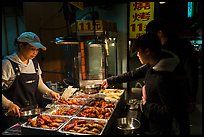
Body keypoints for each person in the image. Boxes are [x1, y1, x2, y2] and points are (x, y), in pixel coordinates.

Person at [102, 33, 190, 135]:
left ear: (147, 51)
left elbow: (171, 111)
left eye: (139, 52)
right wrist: (110, 80)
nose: (138, 55)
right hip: (152, 119)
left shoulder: (164, 77)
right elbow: (132, 74)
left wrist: (146, 105)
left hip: (162, 127)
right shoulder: (152, 64)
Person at [1, 32, 60, 132]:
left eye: (37, 50)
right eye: (32, 49)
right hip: (12, 117)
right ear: (21, 46)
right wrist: (9, 104)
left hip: (31, 114)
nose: (35, 52)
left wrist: (50, 92)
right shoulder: (7, 63)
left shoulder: (34, 64)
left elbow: (39, 84)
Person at [145, 19, 199, 112]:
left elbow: (192, 72)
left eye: (151, 33)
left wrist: (192, 98)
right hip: (165, 96)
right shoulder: (159, 47)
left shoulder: (182, 46)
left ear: (160, 32)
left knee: (181, 122)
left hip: (181, 94)